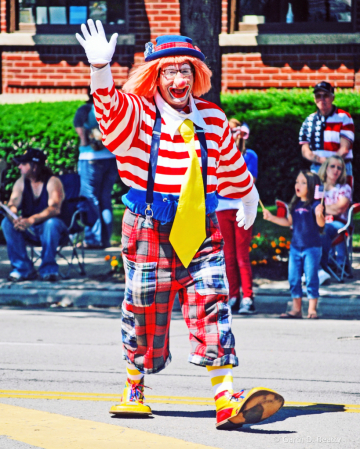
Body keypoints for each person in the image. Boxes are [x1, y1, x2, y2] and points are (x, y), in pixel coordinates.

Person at [75, 19, 284, 430]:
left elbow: (230, 163)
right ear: (156, 75)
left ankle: (226, 396)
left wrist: (247, 195)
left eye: (186, 69)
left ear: (197, 75)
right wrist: (101, 70)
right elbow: (109, 109)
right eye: (169, 70)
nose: (178, 77)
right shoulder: (139, 111)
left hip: (201, 226)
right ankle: (134, 386)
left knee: (213, 300)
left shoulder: (210, 116)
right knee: (143, 307)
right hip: (149, 224)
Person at [263, 171, 325, 319]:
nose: (298, 185)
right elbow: (288, 222)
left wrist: (319, 214)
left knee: (311, 278)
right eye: (297, 182)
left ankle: (312, 309)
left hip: (312, 248)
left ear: (311, 186)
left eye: (303, 182)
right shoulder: (295, 204)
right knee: (293, 278)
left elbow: (321, 224)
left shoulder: (316, 205)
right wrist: (271, 218)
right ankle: (296, 309)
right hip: (296, 247)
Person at [1, 148, 67, 282]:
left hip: (50, 228)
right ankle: (22, 269)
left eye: (23, 164)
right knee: (6, 224)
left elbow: (54, 209)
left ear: (35, 166)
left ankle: (49, 270)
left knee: (51, 223)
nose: (19, 166)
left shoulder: (53, 181)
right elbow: (13, 204)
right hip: (29, 228)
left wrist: (31, 220)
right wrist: (14, 217)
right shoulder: (21, 182)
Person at [216, 119, 258, 315]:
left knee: (242, 255)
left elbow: (249, 182)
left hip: (242, 206)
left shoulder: (250, 156)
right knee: (228, 255)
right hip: (222, 206)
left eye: (235, 132)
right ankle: (233, 296)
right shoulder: (219, 155)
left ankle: (248, 297)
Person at [74, 86, 118, 248]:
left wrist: (84, 142)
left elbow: (79, 128)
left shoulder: (86, 108)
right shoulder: (112, 109)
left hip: (90, 158)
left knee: (90, 198)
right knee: (105, 198)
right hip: (111, 158)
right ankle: (105, 239)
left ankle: (93, 240)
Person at [299, 81, 355, 176]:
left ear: (332, 98)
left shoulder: (344, 117)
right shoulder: (309, 120)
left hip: (340, 168)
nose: (321, 99)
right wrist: (319, 160)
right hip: (317, 169)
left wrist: (329, 164)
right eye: (318, 96)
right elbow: (305, 149)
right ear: (314, 99)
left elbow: (344, 149)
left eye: (325, 95)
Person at [318, 155, 351, 273]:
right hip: (318, 221)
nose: (336, 170)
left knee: (324, 228)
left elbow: (339, 210)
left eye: (339, 168)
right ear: (325, 168)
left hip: (338, 223)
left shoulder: (344, 188)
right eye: (332, 166)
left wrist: (319, 208)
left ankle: (321, 266)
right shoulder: (317, 187)